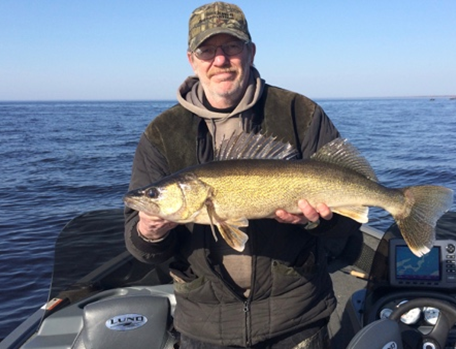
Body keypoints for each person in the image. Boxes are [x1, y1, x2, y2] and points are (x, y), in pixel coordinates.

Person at [124, 2, 360, 348]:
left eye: (231, 47)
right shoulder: (162, 132)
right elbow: (139, 245)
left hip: (297, 318)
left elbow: (347, 226)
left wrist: (318, 221)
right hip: (205, 328)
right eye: (207, 50)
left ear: (250, 52)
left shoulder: (300, 112)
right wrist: (149, 231)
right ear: (192, 60)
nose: (219, 60)